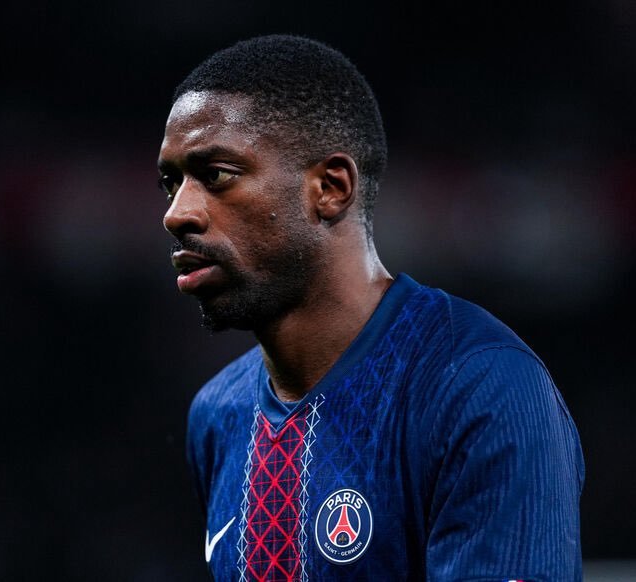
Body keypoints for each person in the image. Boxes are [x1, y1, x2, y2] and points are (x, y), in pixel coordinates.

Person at [157, 34, 584, 581]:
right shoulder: (218, 414)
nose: (177, 213)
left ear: (331, 188)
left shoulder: (479, 386)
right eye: (171, 182)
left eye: (216, 174)